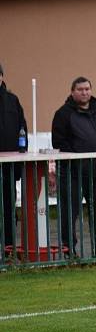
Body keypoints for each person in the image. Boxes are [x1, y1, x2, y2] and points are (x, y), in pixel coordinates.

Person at [52, 77, 96, 257]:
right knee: (69, 211)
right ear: (72, 92)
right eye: (80, 89)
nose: (84, 92)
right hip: (72, 172)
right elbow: (59, 141)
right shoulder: (63, 114)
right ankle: (68, 249)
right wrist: (77, 160)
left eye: (87, 89)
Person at [0, 63, 28, 249]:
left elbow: (22, 129)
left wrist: (21, 156)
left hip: (8, 165)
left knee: (9, 207)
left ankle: (8, 248)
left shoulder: (12, 100)